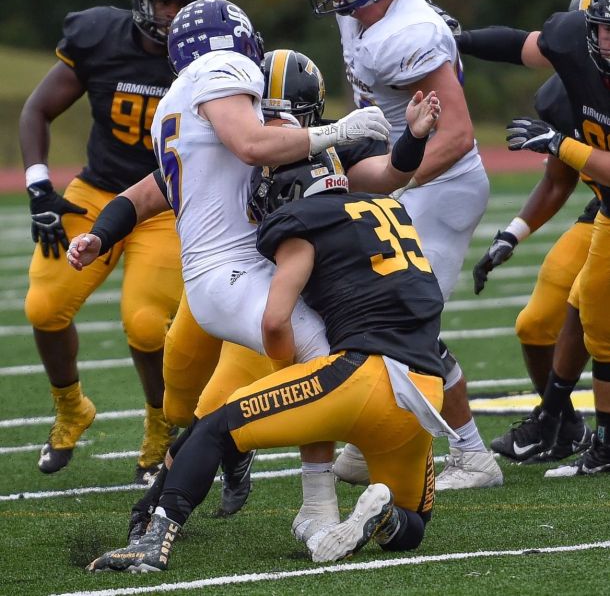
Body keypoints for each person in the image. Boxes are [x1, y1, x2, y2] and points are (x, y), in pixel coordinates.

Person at [68, 43, 442, 540]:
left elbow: (388, 174)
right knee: (182, 406)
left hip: (282, 293)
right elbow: (142, 196)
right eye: (266, 114)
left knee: (228, 409)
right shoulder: (228, 145)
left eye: (290, 116)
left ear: (310, 114)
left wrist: (412, 139)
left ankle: (191, 505)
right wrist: (100, 234)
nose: (278, 126)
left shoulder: (328, 151)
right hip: (229, 283)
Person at [306, 0, 502, 491]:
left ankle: (471, 455)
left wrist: (391, 182)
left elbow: (457, 134)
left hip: (439, 184)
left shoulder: (408, 33)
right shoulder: (361, 12)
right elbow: (373, 99)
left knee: (402, 321)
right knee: (369, 312)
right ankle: (374, 440)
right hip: (399, 171)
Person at [19, 0, 211, 483]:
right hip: (98, 191)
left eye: (184, 5)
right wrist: (39, 188)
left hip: (165, 203)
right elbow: (37, 109)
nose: (172, 15)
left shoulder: (210, 54)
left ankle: (159, 426)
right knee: (44, 306)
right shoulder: (99, 36)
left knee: (147, 325)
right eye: (163, 2)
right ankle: (71, 408)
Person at [459, 0, 610, 475]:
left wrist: (560, 143)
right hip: (603, 210)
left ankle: (571, 427)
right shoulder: (566, 81)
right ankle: (560, 422)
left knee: (594, 314)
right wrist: (512, 234)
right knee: (536, 322)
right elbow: (558, 180)